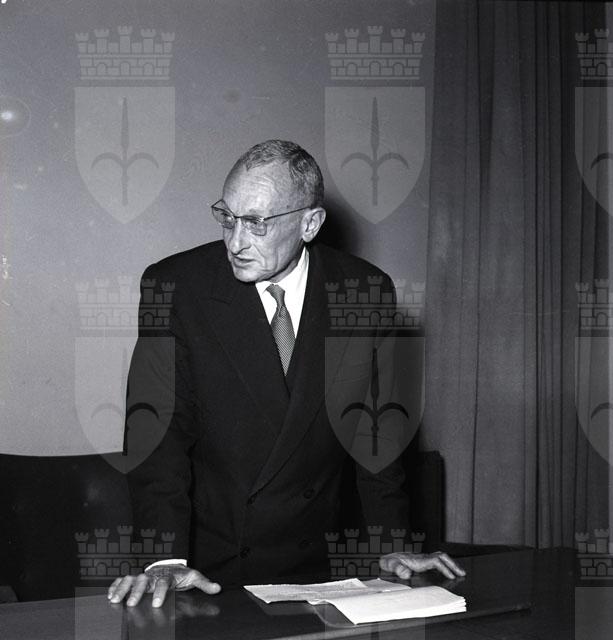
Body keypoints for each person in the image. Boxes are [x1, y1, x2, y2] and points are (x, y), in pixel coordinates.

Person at [108, 140, 465, 608]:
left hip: (323, 567)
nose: (235, 242)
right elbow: (157, 435)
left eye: (256, 222)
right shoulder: (176, 286)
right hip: (208, 568)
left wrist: (391, 542)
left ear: (309, 224)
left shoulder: (365, 289)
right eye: (227, 217)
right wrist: (163, 560)